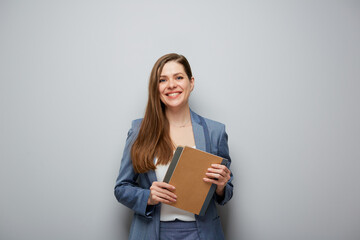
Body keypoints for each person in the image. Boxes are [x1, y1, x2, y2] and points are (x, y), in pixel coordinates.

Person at [114, 53, 233, 240]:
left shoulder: (214, 131)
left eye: (179, 77)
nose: (171, 85)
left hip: (202, 233)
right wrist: (148, 196)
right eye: (163, 80)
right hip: (152, 232)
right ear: (156, 87)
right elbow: (121, 188)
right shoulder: (139, 130)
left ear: (191, 83)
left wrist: (221, 187)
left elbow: (226, 192)